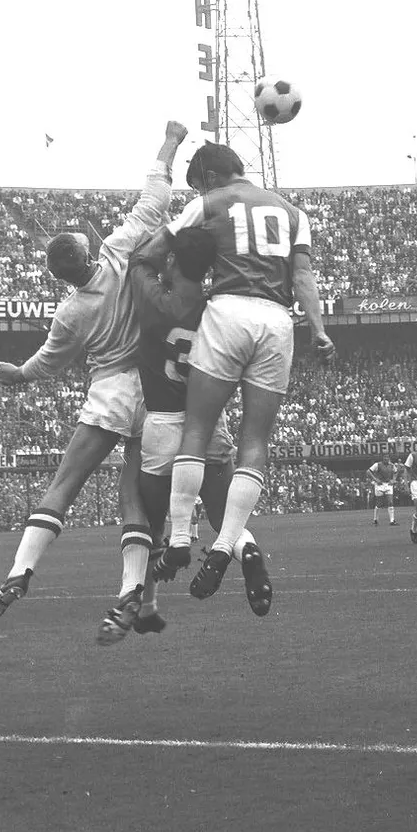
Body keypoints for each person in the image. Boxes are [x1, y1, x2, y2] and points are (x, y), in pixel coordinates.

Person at [0, 120, 189, 622]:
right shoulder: (118, 252)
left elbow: (47, 363)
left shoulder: (70, 313)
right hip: (154, 388)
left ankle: (19, 572)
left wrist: (18, 373)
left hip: (110, 390)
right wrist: (170, 141)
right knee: (135, 497)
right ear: (84, 250)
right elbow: (155, 197)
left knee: (64, 485)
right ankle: (130, 591)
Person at [151, 142, 335, 599]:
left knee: (197, 428)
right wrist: (319, 330)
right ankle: (226, 544)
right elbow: (303, 278)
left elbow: (157, 247)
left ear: (210, 177)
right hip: (277, 322)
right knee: (255, 442)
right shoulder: (293, 212)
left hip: (228, 310)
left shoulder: (209, 202)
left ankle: (177, 539)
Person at [114, 224, 273, 641]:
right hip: (209, 426)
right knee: (224, 519)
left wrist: (169, 231)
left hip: (163, 426)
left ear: (171, 260)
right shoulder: (219, 309)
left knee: (148, 521)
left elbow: (137, 260)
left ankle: (141, 599)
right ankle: (247, 551)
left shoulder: (154, 298)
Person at [367, 456, 399, 526]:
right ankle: (375, 519)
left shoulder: (392, 465)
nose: (386, 458)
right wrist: (375, 479)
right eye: (384, 457)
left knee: (390, 502)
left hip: (388, 484)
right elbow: (368, 472)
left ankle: (392, 520)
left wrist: (393, 479)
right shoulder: (377, 464)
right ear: (382, 458)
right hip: (380, 484)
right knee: (379, 503)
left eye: (387, 457)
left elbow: (396, 472)